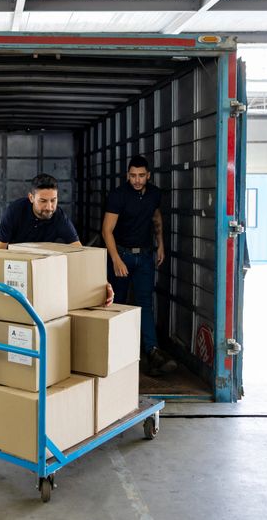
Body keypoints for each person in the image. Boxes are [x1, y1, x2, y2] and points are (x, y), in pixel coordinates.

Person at [102, 155, 177, 376]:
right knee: (118, 304)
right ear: (127, 175)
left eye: (141, 176)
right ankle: (115, 353)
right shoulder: (118, 196)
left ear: (148, 175)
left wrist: (160, 245)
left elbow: (156, 218)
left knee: (145, 303)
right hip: (122, 254)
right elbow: (107, 230)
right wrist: (115, 259)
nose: (137, 180)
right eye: (133, 175)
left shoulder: (154, 194)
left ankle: (152, 352)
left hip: (145, 256)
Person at [0, 173, 114, 306]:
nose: (49, 207)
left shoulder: (59, 218)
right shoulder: (14, 212)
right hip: (15, 269)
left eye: (53, 200)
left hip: (42, 270)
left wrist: (103, 284)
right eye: (43, 201)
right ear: (31, 197)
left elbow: (81, 255)